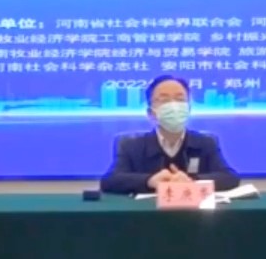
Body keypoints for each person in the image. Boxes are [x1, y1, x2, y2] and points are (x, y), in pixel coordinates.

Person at [100, 74, 239, 194]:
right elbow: (109, 181)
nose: (174, 106)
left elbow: (230, 178)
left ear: (188, 109)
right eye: (164, 100)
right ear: (151, 113)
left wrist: (192, 181)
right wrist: (149, 181)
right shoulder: (131, 146)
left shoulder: (205, 143)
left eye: (180, 99)